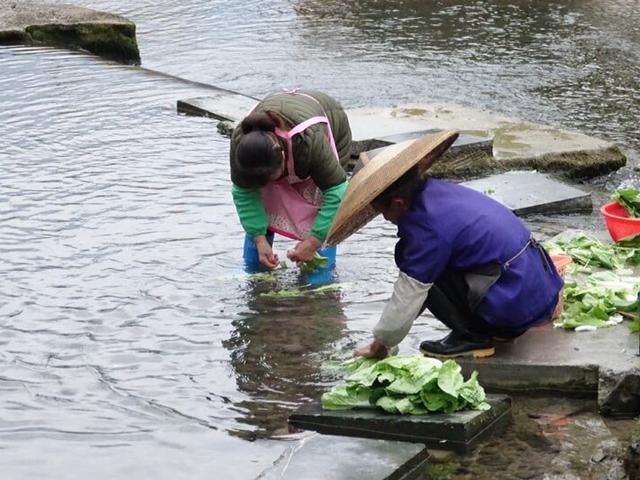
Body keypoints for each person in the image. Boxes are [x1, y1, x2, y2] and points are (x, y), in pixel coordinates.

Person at [326, 131, 564, 359]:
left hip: (514, 305)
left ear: (398, 203)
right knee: (417, 263)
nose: (385, 218)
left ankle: (472, 337)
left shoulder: (427, 228)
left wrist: (382, 342)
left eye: (382, 211)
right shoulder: (439, 192)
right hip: (540, 292)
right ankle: (491, 326)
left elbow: (411, 291)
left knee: (414, 265)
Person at [229, 89, 352, 273]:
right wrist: (259, 239)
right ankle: (256, 265)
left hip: (330, 121)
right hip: (282, 133)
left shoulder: (309, 141)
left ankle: (319, 278)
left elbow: (337, 193)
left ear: (283, 158)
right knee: (262, 200)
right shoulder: (242, 142)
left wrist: (313, 242)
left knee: (322, 208)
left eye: (273, 178)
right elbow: (244, 193)